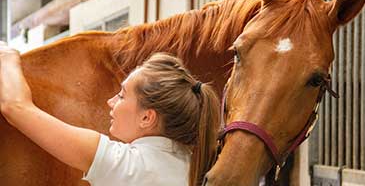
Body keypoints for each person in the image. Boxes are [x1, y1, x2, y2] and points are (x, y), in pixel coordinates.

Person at [0, 42, 220, 186]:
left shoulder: (125, 165)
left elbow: (16, 107)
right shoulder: (195, 166)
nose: (110, 101)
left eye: (122, 96)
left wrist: (6, 56)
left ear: (147, 117)